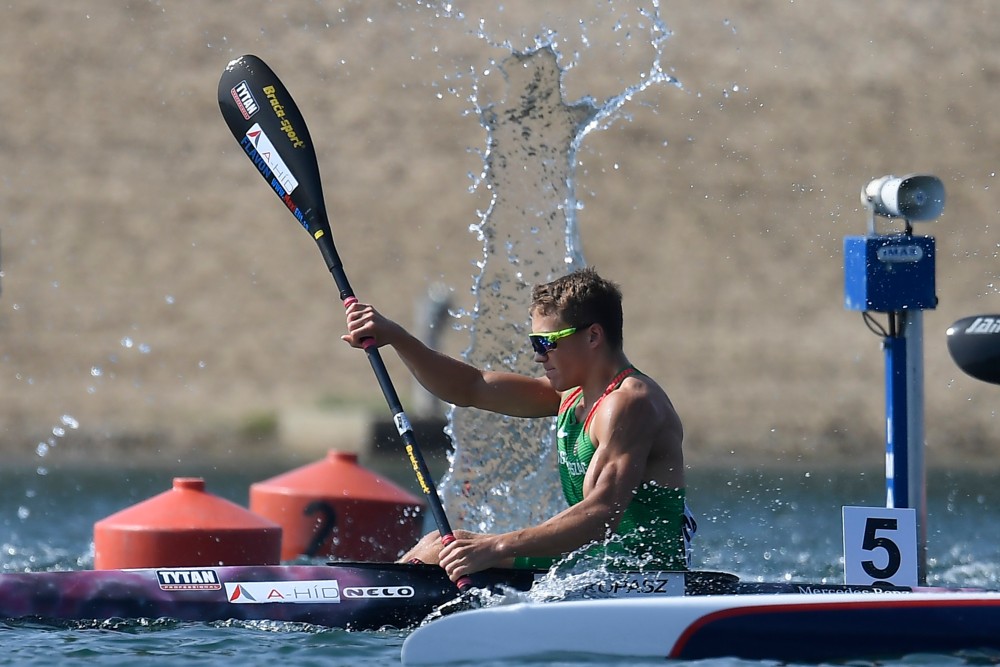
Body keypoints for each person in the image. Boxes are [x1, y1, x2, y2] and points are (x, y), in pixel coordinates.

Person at [341, 267, 693, 582]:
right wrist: (397, 337)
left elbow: (601, 515)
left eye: (547, 342)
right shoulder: (572, 396)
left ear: (593, 336)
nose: (538, 355)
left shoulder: (631, 403)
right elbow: (471, 387)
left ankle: (367, 599)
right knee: (440, 542)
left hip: (640, 574)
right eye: (534, 342)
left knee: (441, 551)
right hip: (591, 563)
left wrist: (494, 547)